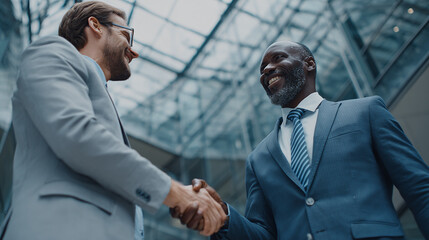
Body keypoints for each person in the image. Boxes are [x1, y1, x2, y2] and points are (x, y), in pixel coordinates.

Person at [1, 1, 226, 240]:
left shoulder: (101, 99)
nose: (134, 51)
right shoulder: (51, 50)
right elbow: (78, 135)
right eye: (126, 35)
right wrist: (176, 193)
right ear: (95, 25)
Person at [171, 41, 429, 240]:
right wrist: (225, 217)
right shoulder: (258, 158)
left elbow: (419, 189)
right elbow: (263, 233)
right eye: (262, 69)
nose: (267, 70)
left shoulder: (366, 112)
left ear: (309, 64)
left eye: (278, 58)